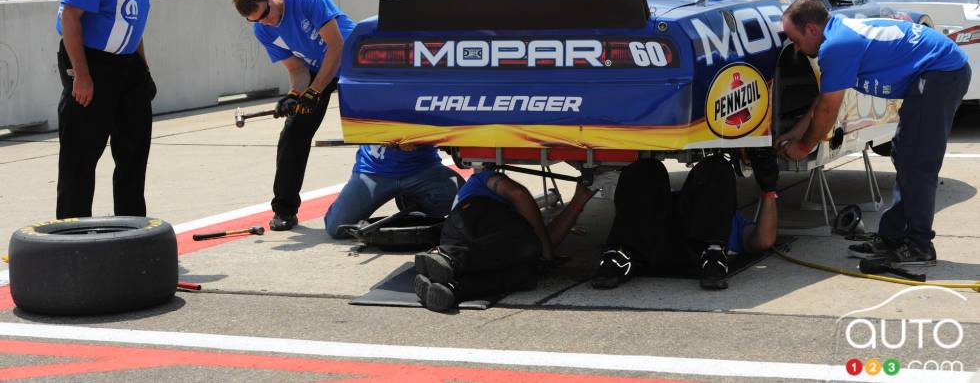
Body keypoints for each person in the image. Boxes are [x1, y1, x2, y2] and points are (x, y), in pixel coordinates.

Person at [778, 0, 970, 265]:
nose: (796, 49)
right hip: (935, 71)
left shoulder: (836, 45)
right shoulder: (837, 34)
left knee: (917, 162)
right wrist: (798, 133)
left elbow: (827, 111)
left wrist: (802, 147)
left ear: (811, 29)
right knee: (905, 155)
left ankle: (919, 245)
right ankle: (893, 237)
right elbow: (824, 99)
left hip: (941, 72)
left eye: (794, 39)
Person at [55, 0, 175, 219]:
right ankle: (73, 233)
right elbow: (70, 16)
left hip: (127, 63)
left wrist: (144, 68)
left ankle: (131, 228)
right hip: (91, 62)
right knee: (81, 156)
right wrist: (81, 75)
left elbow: (132, 22)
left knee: (134, 150)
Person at [232, 0, 356, 231]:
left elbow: (337, 46)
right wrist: (295, 94)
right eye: (255, 20)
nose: (265, 22)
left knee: (374, 126)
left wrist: (315, 91)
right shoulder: (263, 29)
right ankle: (284, 209)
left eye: (265, 14)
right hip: (315, 68)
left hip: (353, 58)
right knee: (293, 134)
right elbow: (297, 68)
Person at [413, 168, 596, 312]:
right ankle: (447, 257)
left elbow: (543, 243)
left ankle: (452, 288)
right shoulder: (482, 179)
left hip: (464, 239)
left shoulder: (510, 226)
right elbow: (519, 193)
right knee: (528, 247)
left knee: (526, 273)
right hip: (470, 214)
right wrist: (544, 252)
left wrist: (578, 201)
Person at [591, 153, 778, 291]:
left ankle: (712, 255)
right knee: (647, 168)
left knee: (717, 165)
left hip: (694, 246)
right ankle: (618, 256)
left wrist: (769, 191)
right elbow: (762, 242)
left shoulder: (724, 218)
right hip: (655, 237)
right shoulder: (717, 212)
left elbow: (763, 241)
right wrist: (768, 189)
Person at [324, 144, 460, 238]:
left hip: (423, 168)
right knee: (337, 228)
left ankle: (410, 199)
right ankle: (409, 196)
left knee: (463, 203)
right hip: (373, 169)